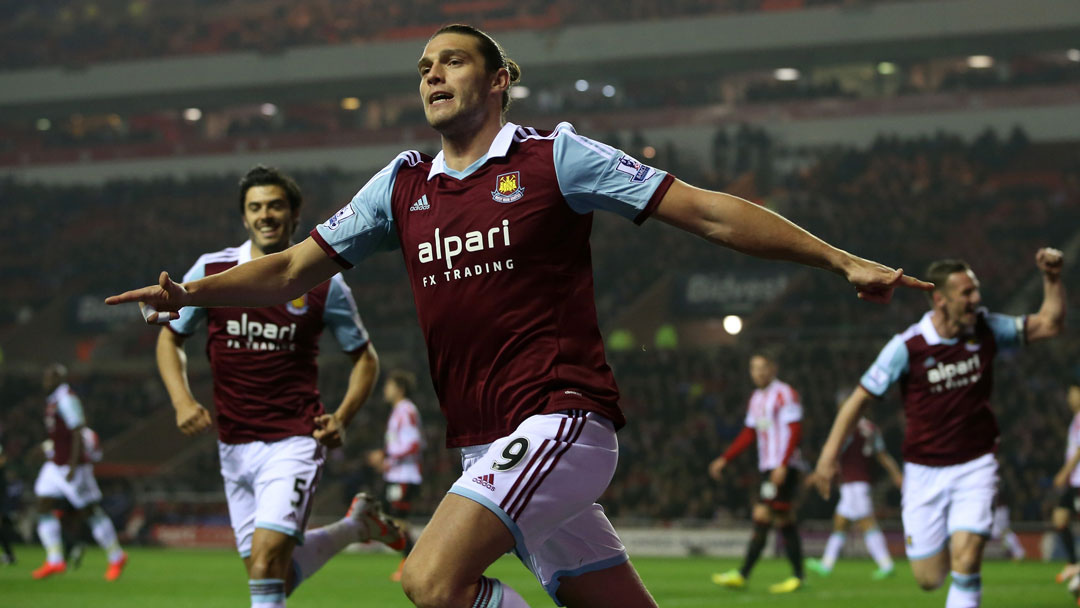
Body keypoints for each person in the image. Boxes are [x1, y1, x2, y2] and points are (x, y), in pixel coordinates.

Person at [108, 24, 931, 608]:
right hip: (480, 442)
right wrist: (191, 294)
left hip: (561, 421)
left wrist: (837, 257)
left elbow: (708, 213)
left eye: (454, 61)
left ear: (498, 79)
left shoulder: (554, 157)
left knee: (430, 583)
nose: (431, 74)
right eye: (424, 65)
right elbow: (286, 269)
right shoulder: (401, 187)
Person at [153, 166, 402, 608]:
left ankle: (355, 527)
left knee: (267, 565)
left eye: (274, 206)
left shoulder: (326, 283)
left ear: (293, 214)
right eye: (255, 208)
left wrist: (341, 417)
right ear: (244, 218)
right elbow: (171, 338)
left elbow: (365, 358)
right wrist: (180, 400)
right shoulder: (212, 270)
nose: (265, 215)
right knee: (273, 578)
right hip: (233, 445)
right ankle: (356, 528)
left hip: (294, 441)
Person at [812, 252, 1065, 608]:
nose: (976, 299)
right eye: (967, 293)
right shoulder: (907, 346)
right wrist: (828, 457)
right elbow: (858, 400)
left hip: (975, 464)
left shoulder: (986, 327)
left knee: (967, 558)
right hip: (923, 472)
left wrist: (1052, 278)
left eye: (975, 290)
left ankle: (964, 553)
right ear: (940, 299)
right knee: (929, 579)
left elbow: (1050, 324)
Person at [709, 350, 807, 594]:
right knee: (783, 519)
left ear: (773, 368)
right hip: (769, 467)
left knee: (763, 515)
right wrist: (725, 458)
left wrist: (783, 463)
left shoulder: (785, 393)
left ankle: (744, 574)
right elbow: (749, 433)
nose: (758, 372)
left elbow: (794, 430)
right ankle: (796, 576)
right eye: (754, 368)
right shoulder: (756, 398)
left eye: (763, 367)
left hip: (783, 466)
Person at [32, 364, 127, 581]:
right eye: (45, 376)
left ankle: (117, 556)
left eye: (50, 376)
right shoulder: (53, 399)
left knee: (90, 512)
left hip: (72, 466)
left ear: (60, 378)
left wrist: (73, 466)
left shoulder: (66, 399)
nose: (45, 380)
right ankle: (55, 560)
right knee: (42, 506)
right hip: (55, 465)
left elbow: (77, 431)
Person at [806, 415, 903, 579]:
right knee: (840, 523)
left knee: (867, 523)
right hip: (860, 482)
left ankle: (886, 564)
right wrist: (896, 474)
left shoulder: (845, 426)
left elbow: (833, 453)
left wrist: (818, 474)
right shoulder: (871, 428)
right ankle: (826, 564)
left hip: (852, 483)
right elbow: (882, 455)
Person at [367, 369, 425, 582]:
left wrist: (386, 455)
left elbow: (413, 443)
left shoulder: (406, 410)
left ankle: (411, 564)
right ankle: (412, 563)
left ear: (399, 389)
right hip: (397, 474)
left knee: (399, 521)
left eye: (389, 385)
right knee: (395, 520)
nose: (385, 390)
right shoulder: (399, 411)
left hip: (405, 476)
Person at [1053, 382, 1080, 581]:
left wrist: (1064, 472)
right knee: (1060, 518)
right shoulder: (1076, 418)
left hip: (1078, 480)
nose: (1069, 398)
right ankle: (1072, 563)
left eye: (1072, 393)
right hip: (1075, 482)